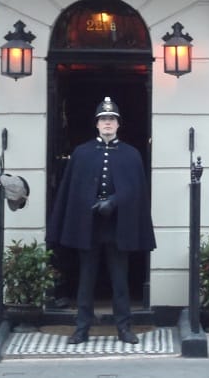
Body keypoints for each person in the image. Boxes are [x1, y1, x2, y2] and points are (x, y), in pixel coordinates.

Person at [46, 96, 156, 345]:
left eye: (112, 119)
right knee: (86, 279)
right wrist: (90, 204)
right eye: (104, 119)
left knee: (120, 280)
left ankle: (124, 328)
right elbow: (72, 190)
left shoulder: (131, 154)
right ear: (96, 124)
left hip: (118, 226)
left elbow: (137, 190)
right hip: (89, 226)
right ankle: (82, 328)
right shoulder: (82, 153)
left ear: (118, 124)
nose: (108, 123)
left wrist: (114, 202)